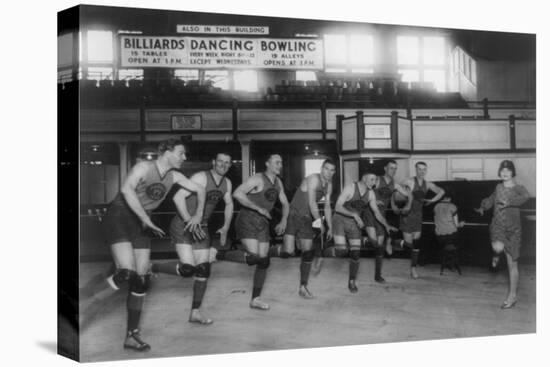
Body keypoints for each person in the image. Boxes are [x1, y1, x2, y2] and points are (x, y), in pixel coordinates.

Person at [101, 139, 205, 351]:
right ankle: (92, 293)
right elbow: (127, 190)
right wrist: (147, 221)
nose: (184, 158)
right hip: (120, 215)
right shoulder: (143, 167)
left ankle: (131, 335)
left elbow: (200, 190)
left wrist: (198, 214)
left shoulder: (175, 176)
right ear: (167, 152)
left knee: (140, 281)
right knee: (126, 273)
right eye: (181, 153)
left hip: (142, 219)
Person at [151, 152, 234, 324]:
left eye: (227, 163)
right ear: (213, 162)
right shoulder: (201, 178)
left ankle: (195, 312)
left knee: (203, 270)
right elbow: (177, 197)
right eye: (220, 162)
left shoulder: (227, 183)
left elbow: (229, 203)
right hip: (182, 224)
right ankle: (154, 267)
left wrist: (225, 226)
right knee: (187, 269)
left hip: (201, 227)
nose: (223, 165)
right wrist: (190, 220)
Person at [217, 154, 289, 310]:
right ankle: (218, 254)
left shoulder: (278, 183)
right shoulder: (257, 178)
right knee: (254, 258)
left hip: (263, 222)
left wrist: (284, 220)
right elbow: (237, 193)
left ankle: (255, 299)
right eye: (276, 162)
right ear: (267, 163)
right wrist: (258, 208)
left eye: (281, 162)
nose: (279, 165)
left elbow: (285, 203)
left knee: (264, 261)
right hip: (247, 218)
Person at [269, 159, 336, 299]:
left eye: (332, 170)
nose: (329, 172)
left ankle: (303, 287)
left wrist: (330, 226)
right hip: (294, 214)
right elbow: (312, 203)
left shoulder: (329, 185)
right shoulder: (313, 179)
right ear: (321, 168)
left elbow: (328, 207)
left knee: (308, 252)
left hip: (306, 218)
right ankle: (269, 251)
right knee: (288, 252)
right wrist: (319, 222)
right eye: (326, 169)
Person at [324, 171, 397, 293]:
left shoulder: (371, 194)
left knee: (356, 253)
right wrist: (354, 215)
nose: (373, 183)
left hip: (354, 223)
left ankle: (352, 281)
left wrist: (387, 225)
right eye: (371, 179)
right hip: (340, 220)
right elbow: (337, 207)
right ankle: (328, 250)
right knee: (342, 251)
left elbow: (377, 213)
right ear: (364, 178)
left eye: (375, 180)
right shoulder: (350, 187)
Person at [475, 160, 529, 309]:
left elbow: (525, 196)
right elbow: (491, 199)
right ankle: (497, 253)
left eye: (508, 171)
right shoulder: (498, 187)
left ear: (512, 172)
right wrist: (483, 206)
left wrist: (510, 202)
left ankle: (512, 296)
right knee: (498, 246)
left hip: (513, 230)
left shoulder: (519, 188)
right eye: (502, 170)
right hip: (498, 226)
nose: (505, 173)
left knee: (513, 264)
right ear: (500, 172)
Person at [363, 160, 411, 283]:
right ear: (385, 168)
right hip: (370, 213)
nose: (393, 171)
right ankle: (367, 239)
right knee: (374, 242)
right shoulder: (377, 179)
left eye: (395, 168)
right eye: (391, 168)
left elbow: (407, 195)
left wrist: (409, 199)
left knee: (379, 248)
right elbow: (365, 188)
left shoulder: (395, 185)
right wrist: (372, 199)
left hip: (381, 216)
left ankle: (377, 275)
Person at [400, 162, 445, 279]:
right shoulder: (408, 181)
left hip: (418, 216)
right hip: (407, 216)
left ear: (426, 171)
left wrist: (432, 200)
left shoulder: (428, 184)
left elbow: (442, 191)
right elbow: (396, 191)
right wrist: (403, 197)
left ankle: (413, 269)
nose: (422, 171)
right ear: (416, 170)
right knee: (408, 244)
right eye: (419, 169)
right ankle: (397, 242)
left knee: (416, 244)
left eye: (424, 169)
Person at [433, 187, 465, 275]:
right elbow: (456, 224)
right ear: (450, 198)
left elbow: (436, 221)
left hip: (439, 237)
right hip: (450, 236)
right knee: (461, 239)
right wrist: (462, 223)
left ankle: (450, 264)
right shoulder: (453, 206)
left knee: (448, 245)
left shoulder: (436, 206)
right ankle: (452, 264)